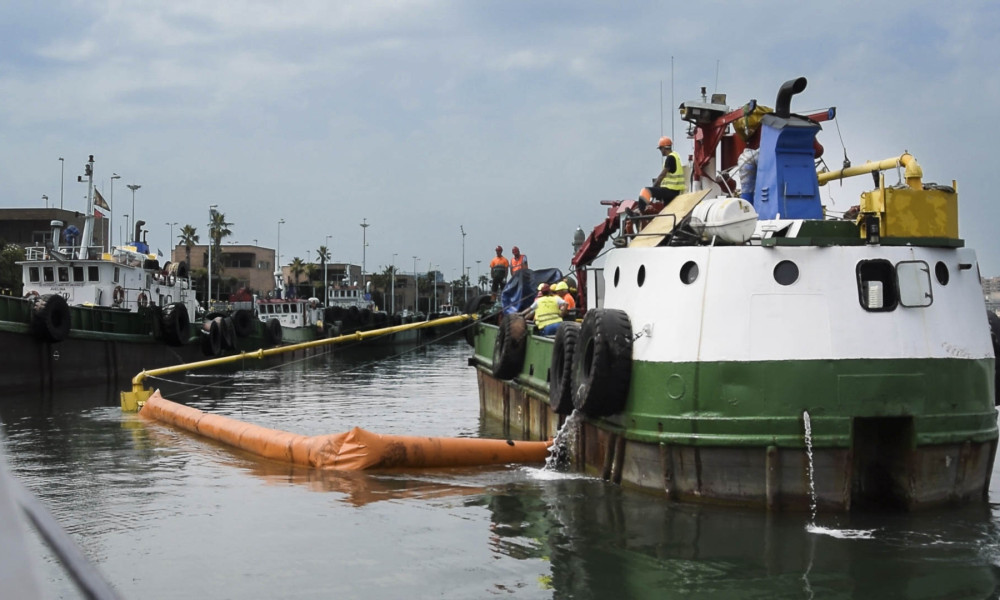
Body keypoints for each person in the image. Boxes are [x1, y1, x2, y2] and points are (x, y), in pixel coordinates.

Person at [639, 136, 685, 209]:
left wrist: (653, 187)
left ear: (664, 148)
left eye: (660, 149)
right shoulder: (676, 156)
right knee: (666, 210)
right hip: (675, 191)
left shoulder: (670, 158)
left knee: (645, 191)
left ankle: (640, 211)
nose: (661, 151)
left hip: (670, 191)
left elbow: (662, 175)